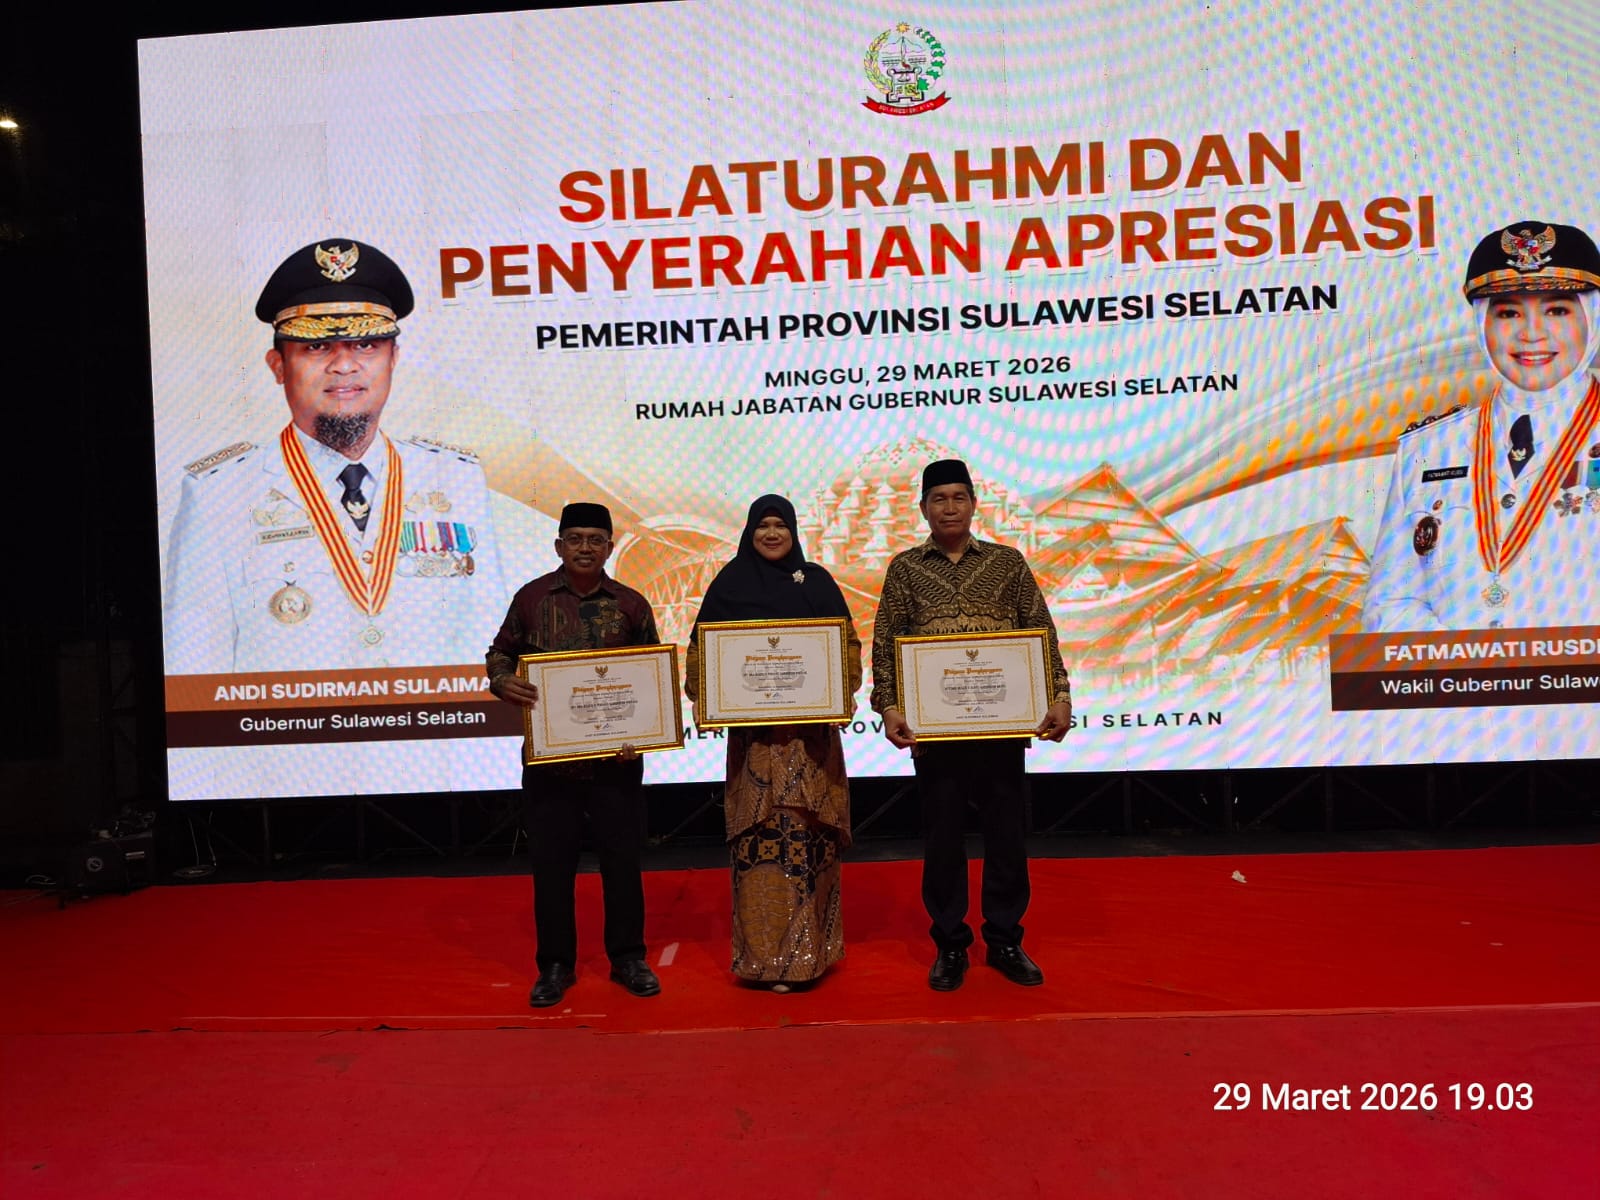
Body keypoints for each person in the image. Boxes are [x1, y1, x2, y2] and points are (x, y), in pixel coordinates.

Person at [163, 238, 504, 673]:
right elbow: (192, 675)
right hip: (294, 741)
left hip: (429, 740)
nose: (344, 365)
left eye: (366, 346)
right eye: (317, 347)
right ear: (277, 365)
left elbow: (495, 653)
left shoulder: (456, 479)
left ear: (393, 358)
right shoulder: (218, 493)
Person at [871, 459, 1073, 991]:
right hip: (937, 734)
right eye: (939, 498)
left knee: (1007, 836)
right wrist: (888, 706)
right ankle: (950, 943)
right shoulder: (905, 568)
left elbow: (1040, 631)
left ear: (974, 504)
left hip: (1002, 727)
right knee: (942, 840)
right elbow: (886, 644)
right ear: (923, 509)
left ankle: (1005, 939)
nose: (950, 507)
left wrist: (1059, 694)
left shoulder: (1008, 564)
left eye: (959, 497)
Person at [1363, 221, 1600, 633]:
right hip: (1463, 693)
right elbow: (1391, 606)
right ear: (1481, 325)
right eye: (1508, 312)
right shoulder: (1429, 449)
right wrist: (1468, 684)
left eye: (1557, 310)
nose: (1531, 333)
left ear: (1592, 318)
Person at [486, 502, 663, 1007]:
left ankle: (628, 958)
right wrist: (503, 681)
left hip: (618, 761)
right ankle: (556, 966)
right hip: (551, 761)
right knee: (552, 866)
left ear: (609, 547)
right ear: (560, 545)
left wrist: (644, 732)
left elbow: (649, 674)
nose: (585, 547)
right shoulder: (532, 598)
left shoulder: (632, 604)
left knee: (623, 863)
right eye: (575, 538)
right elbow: (500, 652)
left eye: (595, 539)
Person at [685, 496, 863, 991]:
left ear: (793, 531)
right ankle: (763, 963)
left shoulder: (819, 582)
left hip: (810, 748)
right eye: (762, 525)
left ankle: (812, 957)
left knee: (809, 842)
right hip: (756, 749)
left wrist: (834, 688)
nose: (770, 533)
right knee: (759, 845)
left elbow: (846, 648)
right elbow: (701, 656)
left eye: (779, 524)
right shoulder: (729, 584)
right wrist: (713, 695)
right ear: (749, 531)